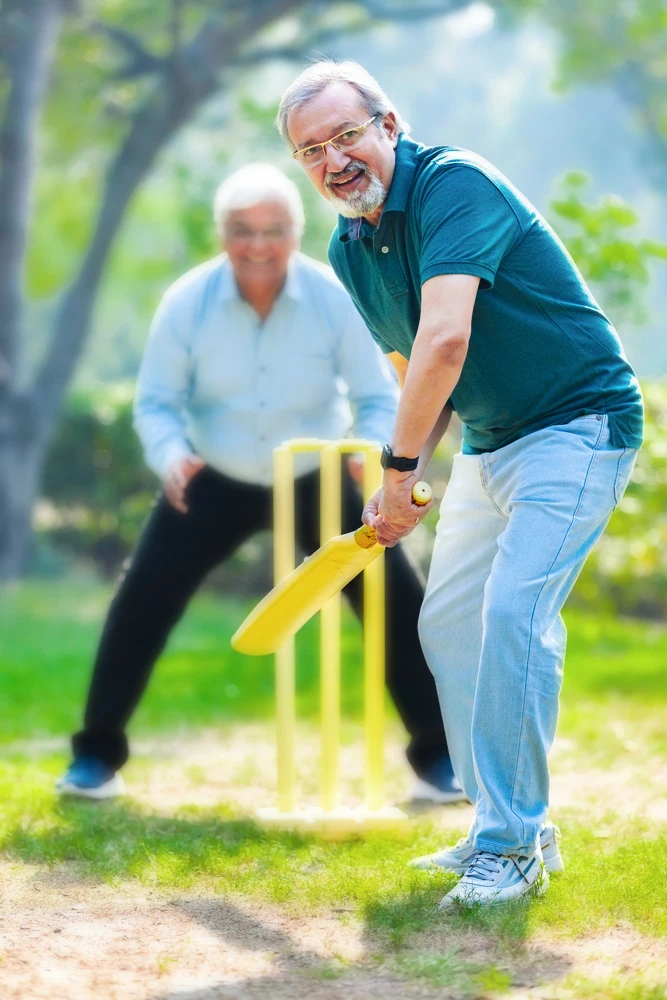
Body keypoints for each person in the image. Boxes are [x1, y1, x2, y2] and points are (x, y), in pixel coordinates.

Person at [277, 62, 643, 907]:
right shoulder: (348, 247)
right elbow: (415, 373)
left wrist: (403, 471)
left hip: (577, 423)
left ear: (389, 124)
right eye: (311, 152)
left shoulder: (455, 186)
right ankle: (503, 829)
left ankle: (512, 850)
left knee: (514, 615)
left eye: (345, 136)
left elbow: (446, 340)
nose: (334, 161)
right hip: (491, 438)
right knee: (448, 624)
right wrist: (396, 479)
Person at [57, 164, 462, 806]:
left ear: (295, 234)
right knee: (141, 598)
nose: (258, 245)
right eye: (243, 230)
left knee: (394, 599)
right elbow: (157, 402)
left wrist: (369, 454)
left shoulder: (332, 297)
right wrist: (170, 456)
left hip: (319, 469)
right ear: (223, 235)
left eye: (273, 230)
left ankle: (439, 761)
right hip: (213, 474)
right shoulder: (187, 302)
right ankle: (95, 758)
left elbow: (374, 393)